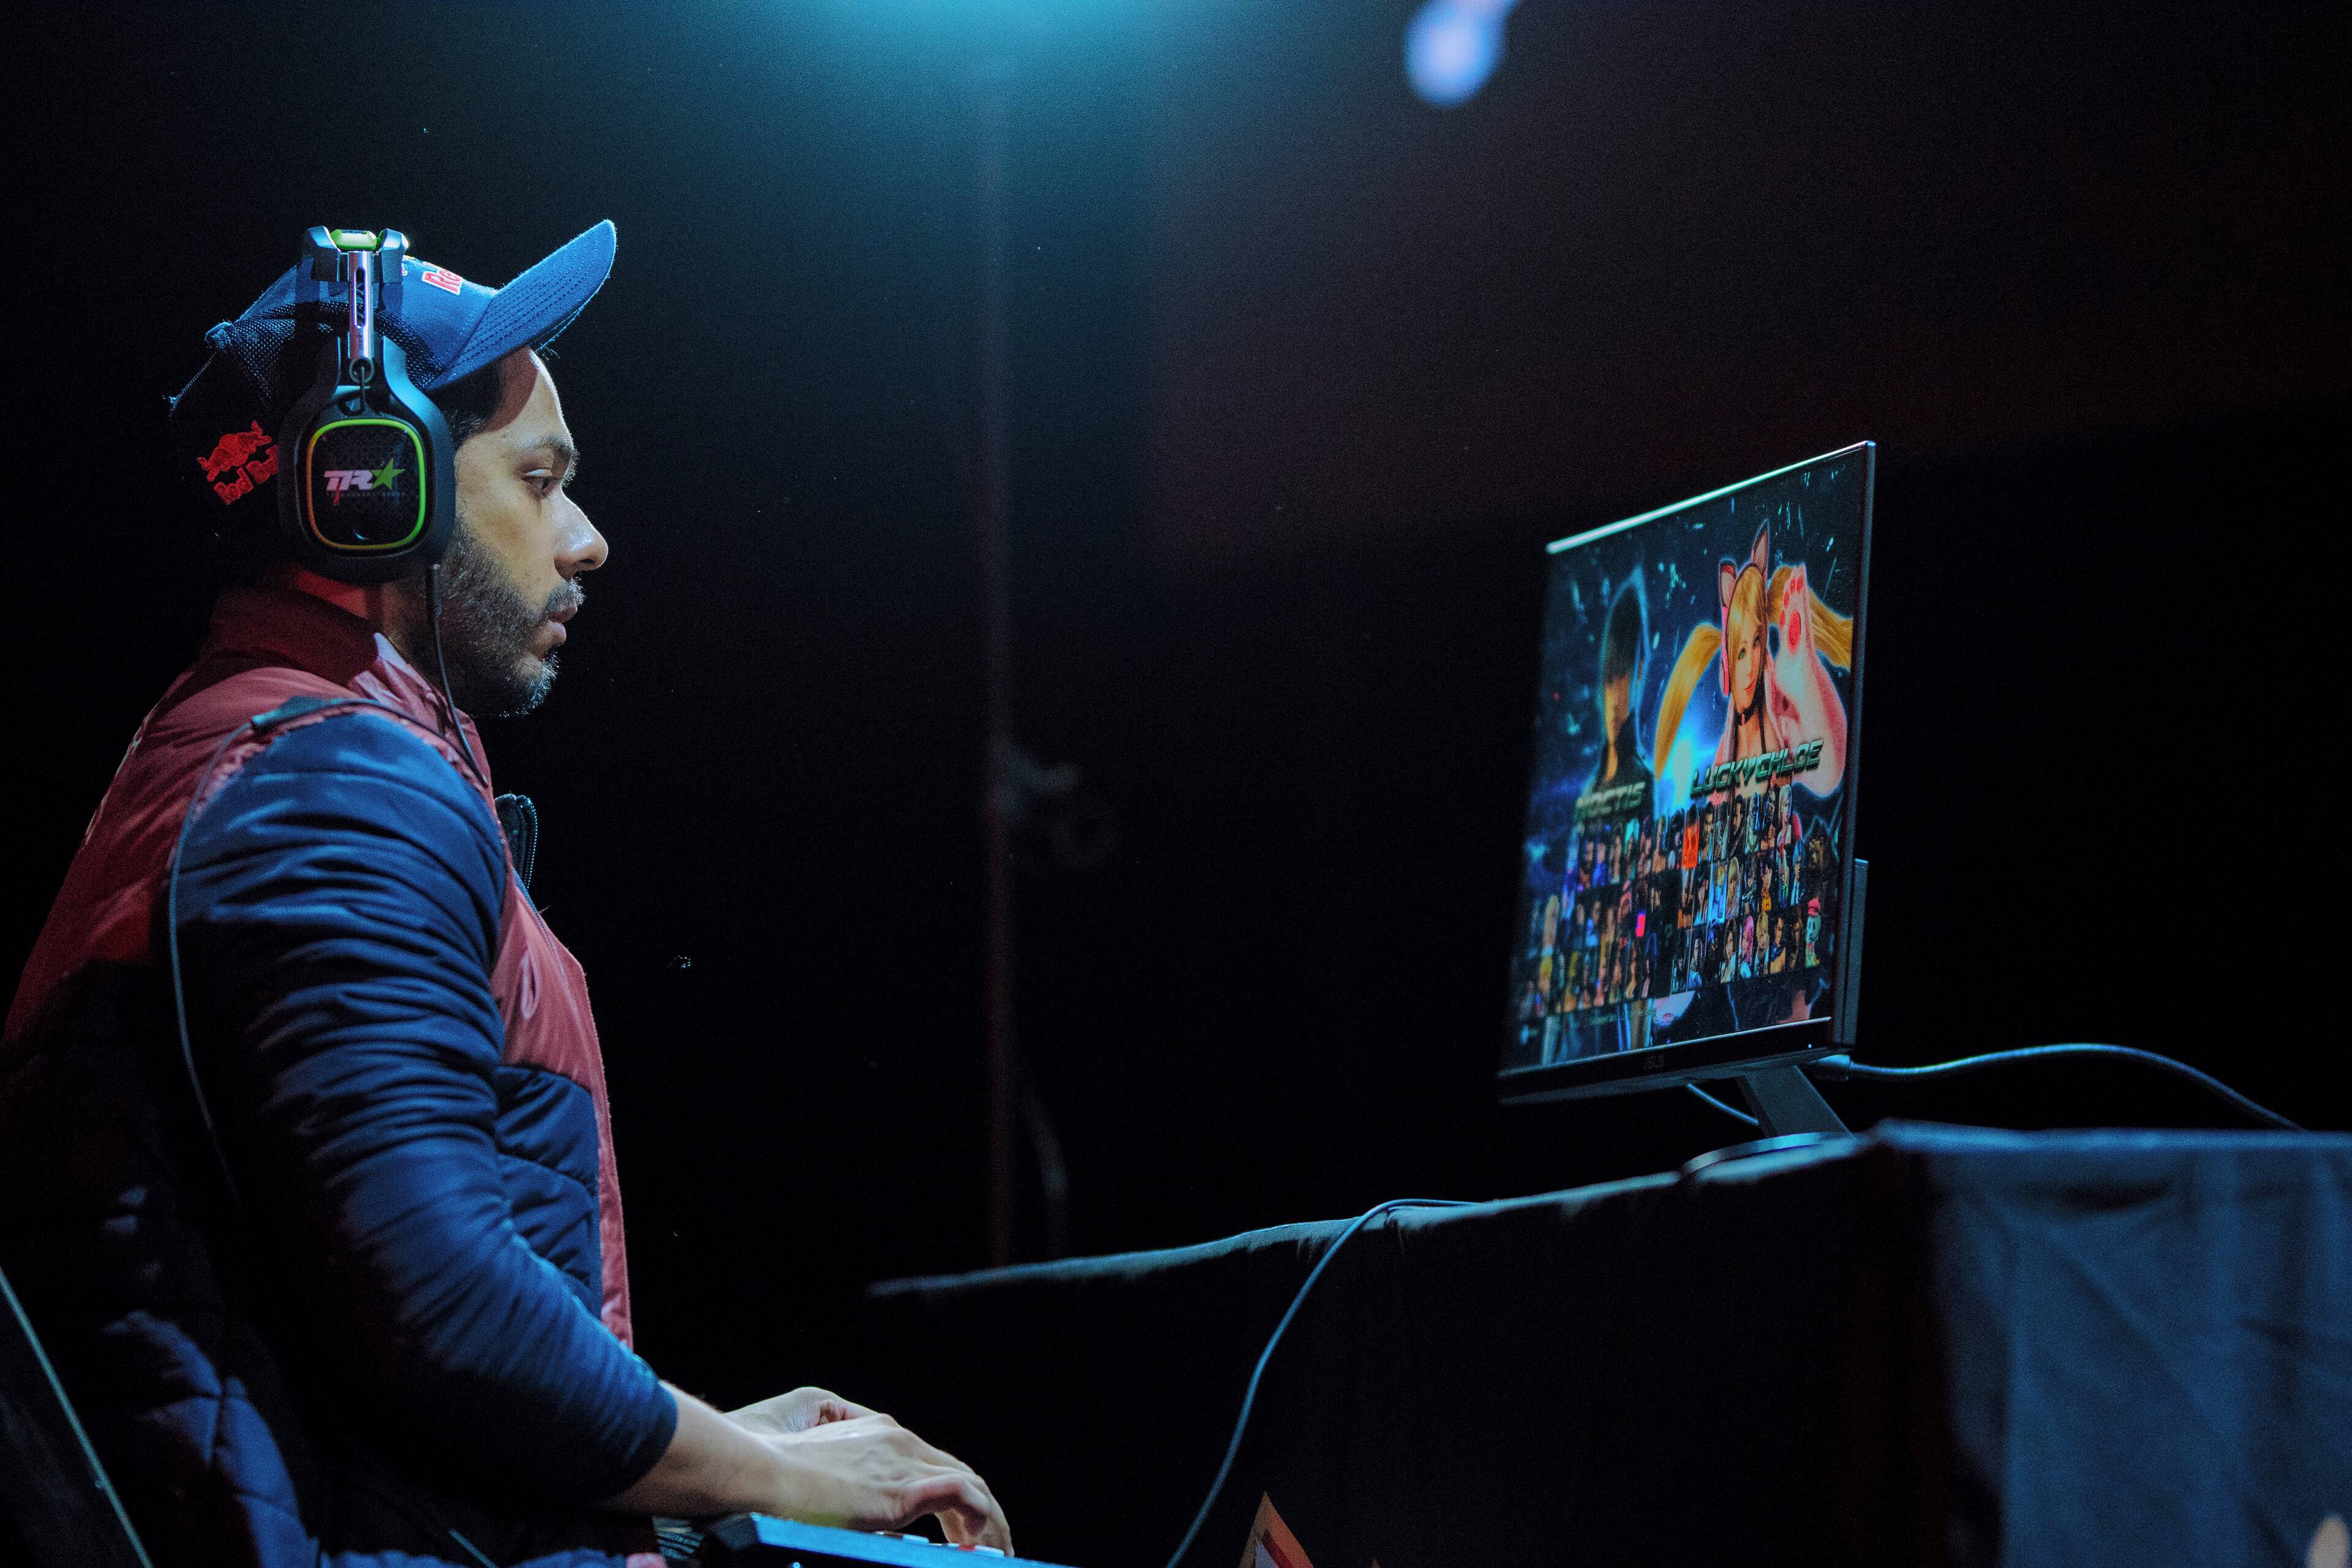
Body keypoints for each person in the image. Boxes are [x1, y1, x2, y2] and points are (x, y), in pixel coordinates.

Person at [0, 225, 1011, 1566]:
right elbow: (439, 1313)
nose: (588, 541)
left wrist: (696, 1448)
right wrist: (780, 1474)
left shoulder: (273, 756)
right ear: (377, 486)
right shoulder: (335, 788)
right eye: (539, 480)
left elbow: (379, 1342)